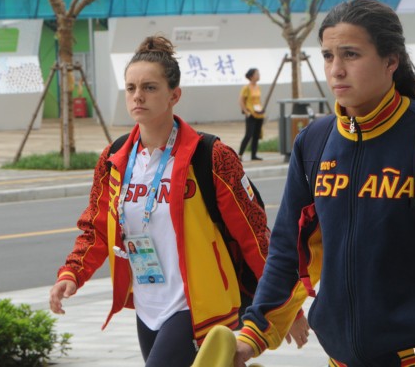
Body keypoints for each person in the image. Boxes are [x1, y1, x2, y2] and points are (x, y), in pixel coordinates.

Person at [235, 0, 415, 367]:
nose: (336, 70)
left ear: (390, 60)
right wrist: (251, 335)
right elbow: (288, 249)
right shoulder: (313, 144)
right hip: (343, 360)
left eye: (351, 54)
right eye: (328, 56)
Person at [49, 35, 280, 367]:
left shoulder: (211, 155)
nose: (138, 96)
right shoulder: (114, 158)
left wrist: (281, 306)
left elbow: (254, 234)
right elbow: (96, 228)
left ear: (175, 94)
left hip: (199, 306)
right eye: (130, 88)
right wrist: (71, 274)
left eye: (150, 87)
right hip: (148, 308)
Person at [238, 68, 265, 161]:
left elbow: (258, 100)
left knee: (256, 135)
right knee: (248, 134)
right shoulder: (246, 88)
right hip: (251, 114)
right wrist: (246, 111)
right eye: (257, 74)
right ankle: (240, 154)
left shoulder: (258, 87)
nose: (258, 75)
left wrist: (262, 110)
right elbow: (241, 100)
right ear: (251, 76)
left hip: (259, 113)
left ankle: (254, 155)